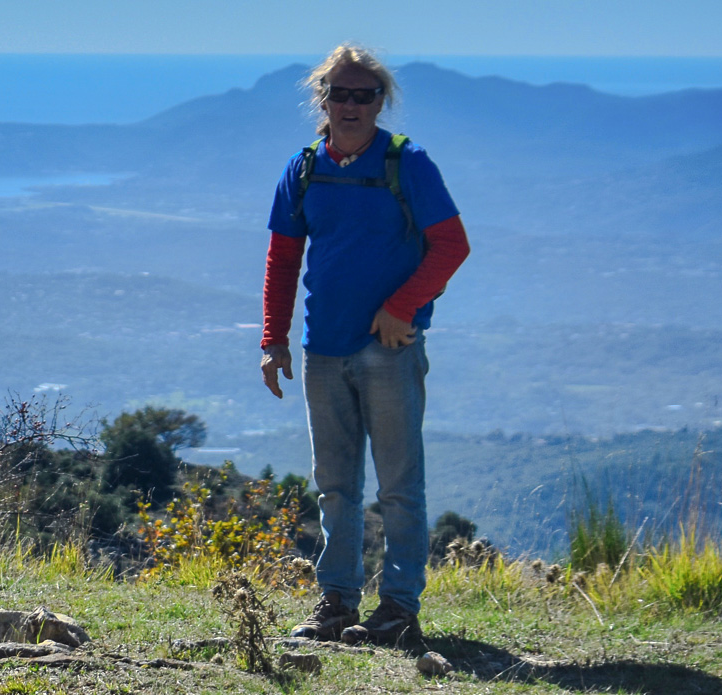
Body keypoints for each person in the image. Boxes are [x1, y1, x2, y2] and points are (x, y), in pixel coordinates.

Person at [260, 45, 471, 646]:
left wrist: (400, 308)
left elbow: (451, 245)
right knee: (335, 484)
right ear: (321, 99)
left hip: (389, 348)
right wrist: (274, 340)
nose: (352, 105)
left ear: (382, 101)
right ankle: (337, 604)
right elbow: (282, 258)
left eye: (365, 94)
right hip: (322, 347)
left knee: (399, 485)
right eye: (341, 93)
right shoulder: (303, 169)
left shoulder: (408, 164)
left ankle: (399, 608)